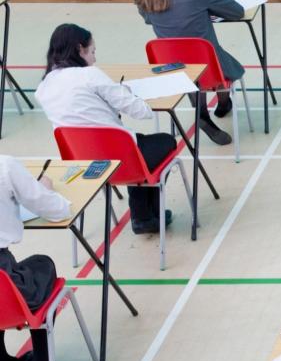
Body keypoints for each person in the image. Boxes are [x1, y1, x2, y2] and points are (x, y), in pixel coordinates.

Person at [34, 23, 176, 235]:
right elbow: (142, 112)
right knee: (165, 141)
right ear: (79, 49)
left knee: (137, 144)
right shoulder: (90, 75)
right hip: (120, 157)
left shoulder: (43, 88)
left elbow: (84, 114)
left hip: (84, 162)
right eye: (92, 51)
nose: (94, 58)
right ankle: (144, 216)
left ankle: (145, 216)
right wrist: (124, 92)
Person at [132, 0, 237, 146]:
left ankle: (208, 112)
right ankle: (218, 104)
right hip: (209, 65)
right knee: (224, 63)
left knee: (188, 64)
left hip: (171, 69)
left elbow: (147, 20)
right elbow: (235, 11)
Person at [0, 156, 70, 361]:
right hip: (4, 284)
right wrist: (43, 189)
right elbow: (57, 210)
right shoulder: (5, 166)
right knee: (43, 265)